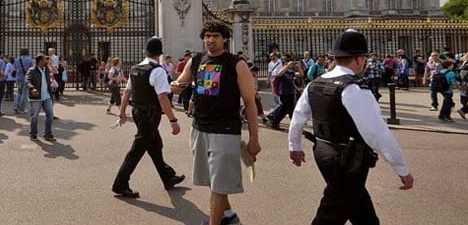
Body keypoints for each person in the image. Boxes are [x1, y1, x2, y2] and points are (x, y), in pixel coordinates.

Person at [288, 29, 414, 225]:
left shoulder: (315, 84)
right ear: (358, 59)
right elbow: (376, 133)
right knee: (330, 214)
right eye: (364, 58)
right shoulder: (353, 88)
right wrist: (401, 168)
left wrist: (294, 146)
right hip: (348, 159)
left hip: (322, 151)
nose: (365, 62)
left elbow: (298, 118)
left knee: (362, 212)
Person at [172, 24, 260, 225]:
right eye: (208, 36)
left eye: (216, 36)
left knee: (220, 184)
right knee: (213, 179)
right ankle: (228, 215)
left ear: (225, 39)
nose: (211, 40)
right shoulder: (195, 60)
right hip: (199, 127)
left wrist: (254, 138)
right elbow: (179, 84)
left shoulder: (236, 64)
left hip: (225, 129)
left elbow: (249, 102)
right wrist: (174, 86)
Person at [112, 37, 184, 199]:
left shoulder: (136, 69)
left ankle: (168, 177)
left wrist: (122, 111)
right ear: (160, 53)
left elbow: (127, 91)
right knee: (137, 150)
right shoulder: (157, 71)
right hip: (150, 114)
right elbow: (163, 97)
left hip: (138, 112)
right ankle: (120, 183)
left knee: (155, 145)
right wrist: (173, 121)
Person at [26, 54, 56, 141]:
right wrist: (32, 88)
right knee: (34, 116)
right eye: (44, 60)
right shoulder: (32, 70)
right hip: (36, 97)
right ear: (39, 61)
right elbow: (27, 80)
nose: (46, 61)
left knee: (50, 115)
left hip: (46, 96)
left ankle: (48, 134)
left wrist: (51, 94)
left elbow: (48, 82)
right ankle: (33, 133)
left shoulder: (46, 69)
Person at [267, 54, 298, 130]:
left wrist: (299, 67)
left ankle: (274, 121)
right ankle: (294, 126)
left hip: (290, 92)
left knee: (285, 109)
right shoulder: (282, 69)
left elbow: (297, 77)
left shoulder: (290, 72)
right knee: (289, 109)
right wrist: (287, 66)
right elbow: (279, 74)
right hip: (284, 92)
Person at [13, 48, 33, 114]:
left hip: (18, 78)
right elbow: (32, 69)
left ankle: (16, 106)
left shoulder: (17, 60)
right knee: (24, 94)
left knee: (19, 92)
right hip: (26, 78)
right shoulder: (30, 60)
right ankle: (22, 109)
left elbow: (15, 68)